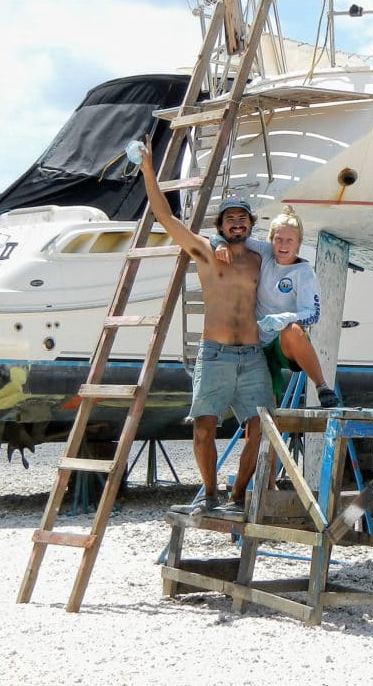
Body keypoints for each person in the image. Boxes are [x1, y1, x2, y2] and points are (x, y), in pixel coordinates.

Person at [138, 145, 273, 521]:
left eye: (242, 219)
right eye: (229, 219)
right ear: (220, 226)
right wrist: (149, 170)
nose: (236, 224)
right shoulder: (206, 252)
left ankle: (239, 494)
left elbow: (289, 244)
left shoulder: (261, 258)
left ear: (250, 223)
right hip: (214, 354)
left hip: (252, 356)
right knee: (203, 427)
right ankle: (210, 495)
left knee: (261, 429)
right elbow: (164, 216)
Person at [214, 204, 339, 409]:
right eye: (278, 239)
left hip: (283, 342)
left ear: (298, 243)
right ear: (270, 239)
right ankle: (265, 438)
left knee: (293, 330)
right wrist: (220, 244)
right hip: (256, 342)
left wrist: (285, 318)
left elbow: (313, 314)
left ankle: (322, 387)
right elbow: (229, 237)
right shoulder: (265, 253)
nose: (283, 245)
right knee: (262, 411)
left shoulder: (303, 272)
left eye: (289, 240)